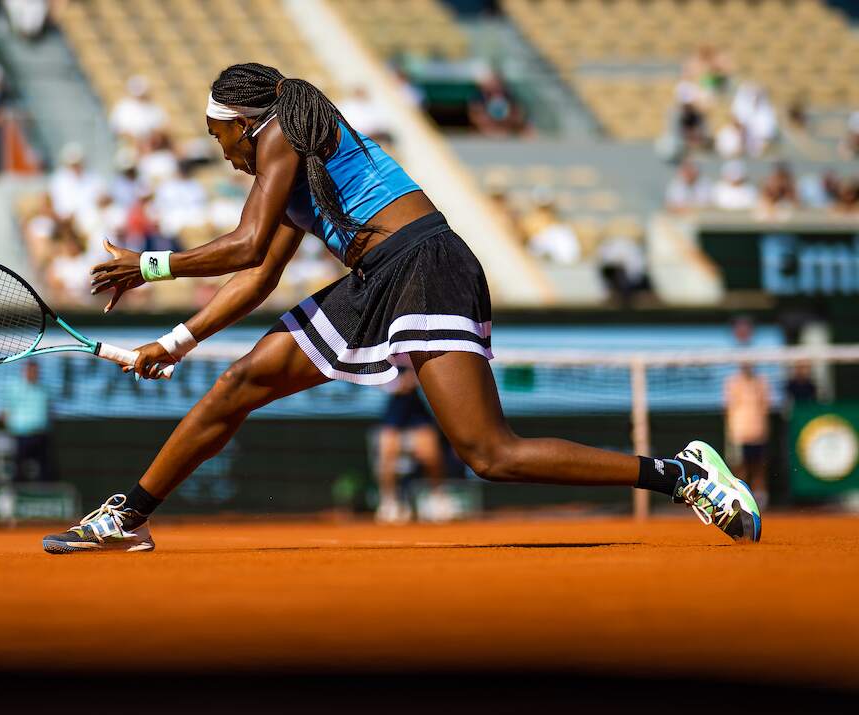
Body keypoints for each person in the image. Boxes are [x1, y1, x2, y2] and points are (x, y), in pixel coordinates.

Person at [42, 62, 761, 554]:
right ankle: (125, 515)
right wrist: (178, 338)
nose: (219, 149)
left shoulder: (283, 138)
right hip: (380, 278)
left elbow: (245, 241)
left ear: (243, 122)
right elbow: (260, 274)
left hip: (424, 266)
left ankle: (681, 473)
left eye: (217, 134)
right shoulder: (298, 167)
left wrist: (150, 264)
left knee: (491, 454)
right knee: (240, 383)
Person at [375, 356, 448, 524]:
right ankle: (389, 501)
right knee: (387, 455)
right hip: (395, 410)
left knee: (430, 456)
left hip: (417, 410)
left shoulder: (418, 348)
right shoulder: (384, 350)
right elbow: (375, 378)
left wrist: (414, 379)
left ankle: (437, 498)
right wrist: (395, 385)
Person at [724, 363, 770, 508]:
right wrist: (731, 432)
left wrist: (764, 430)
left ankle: (760, 501)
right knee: (739, 468)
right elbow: (728, 408)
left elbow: (765, 407)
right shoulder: (733, 383)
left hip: (758, 433)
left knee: (758, 468)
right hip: (739, 434)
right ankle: (739, 500)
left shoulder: (761, 382)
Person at [0, 361, 51, 482]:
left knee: (45, 469)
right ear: (24, 371)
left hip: (40, 435)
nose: (33, 373)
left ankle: (43, 493)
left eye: (35, 371)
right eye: (30, 370)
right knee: (18, 468)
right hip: (20, 435)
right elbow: (4, 413)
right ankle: (17, 493)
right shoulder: (14, 388)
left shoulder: (44, 390)